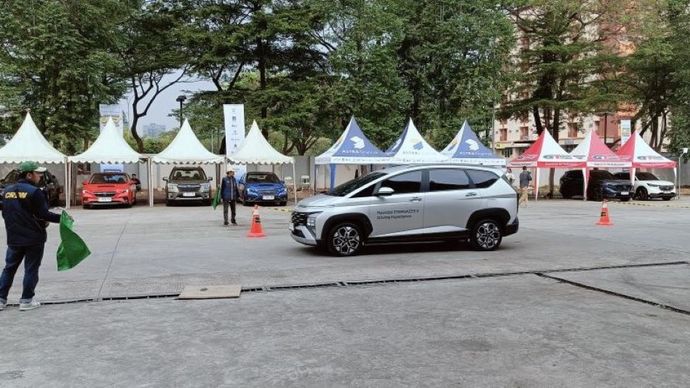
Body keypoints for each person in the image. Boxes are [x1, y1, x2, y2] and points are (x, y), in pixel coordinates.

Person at [0, 161, 62, 311]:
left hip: (14, 238)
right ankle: (26, 301)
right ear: (29, 175)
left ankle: (1, 300)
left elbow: (5, 212)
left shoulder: (6, 191)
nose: (40, 176)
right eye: (38, 173)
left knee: (9, 268)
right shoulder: (35, 192)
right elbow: (44, 214)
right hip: (34, 238)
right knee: (31, 269)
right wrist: (62, 218)